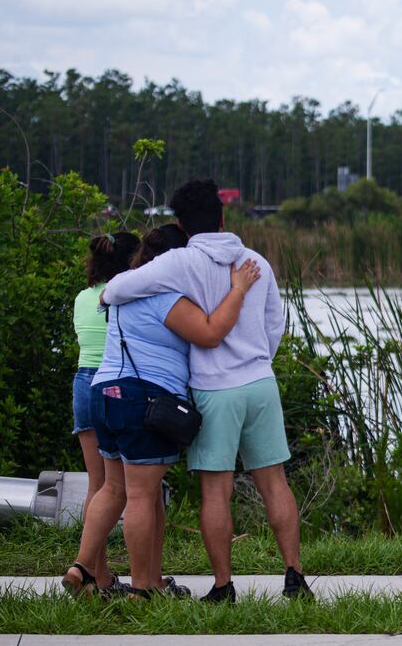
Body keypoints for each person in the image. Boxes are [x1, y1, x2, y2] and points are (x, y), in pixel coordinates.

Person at [102, 179, 311, 603]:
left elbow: (121, 288)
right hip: (260, 382)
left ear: (181, 222)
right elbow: (275, 326)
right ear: (223, 216)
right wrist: (256, 360)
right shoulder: (257, 261)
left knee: (216, 492)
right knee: (275, 482)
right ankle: (294, 577)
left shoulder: (180, 261)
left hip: (215, 390)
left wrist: (106, 293)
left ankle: (223, 586)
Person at [64, 224, 261, 598]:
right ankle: (143, 589)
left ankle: (83, 566)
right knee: (141, 497)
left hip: (102, 393)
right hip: (142, 398)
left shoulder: (120, 294)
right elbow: (209, 333)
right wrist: (238, 290)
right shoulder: (164, 297)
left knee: (112, 488)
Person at [71, 232, 140, 594]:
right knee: (118, 488)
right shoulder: (123, 296)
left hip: (82, 383)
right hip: (111, 384)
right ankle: (92, 572)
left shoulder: (83, 298)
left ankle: (98, 574)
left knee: (95, 486)